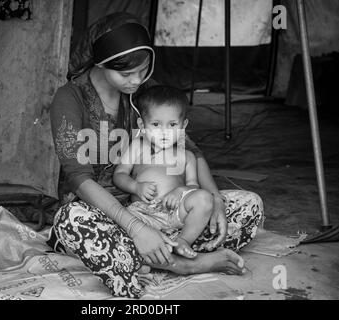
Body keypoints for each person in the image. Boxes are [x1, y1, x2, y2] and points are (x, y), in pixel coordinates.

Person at [47, 12, 264, 298]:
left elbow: (191, 150)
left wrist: (214, 199)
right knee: (70, 220)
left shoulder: (144, 91)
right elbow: (78, 178)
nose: (137, 80)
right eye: (126, 74)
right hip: (104, 214)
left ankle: (147, 257)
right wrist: (136, 228)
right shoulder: (69, 98)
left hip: (165, 212)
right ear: (100, 63)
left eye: (144, 70)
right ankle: (184, 263)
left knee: (250, 206)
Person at [113, 85, 217, 259]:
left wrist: (180, 191)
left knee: (205, 198)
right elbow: (119, 175)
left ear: (183, 125)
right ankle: (148, 250)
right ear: (142, 124)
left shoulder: (188, 156)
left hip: (175, 215)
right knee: (117, 223)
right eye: (155, 124)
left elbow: (194, 186)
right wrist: (135, 187)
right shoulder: (138, 146)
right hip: (142, 215)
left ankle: (183, 241)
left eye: (172, 125)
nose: (164, 132)